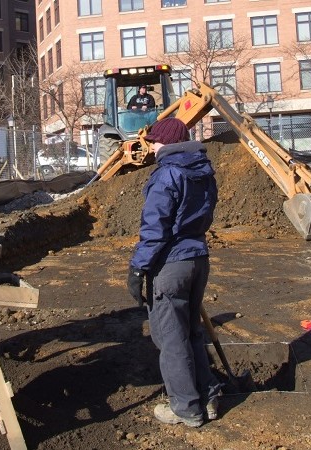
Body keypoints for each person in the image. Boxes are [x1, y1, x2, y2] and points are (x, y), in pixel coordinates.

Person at [126, 117, 221, 428]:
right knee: (192, 331)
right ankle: (208, 398)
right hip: (198, 259)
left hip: (171, 265)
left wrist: (138, 268)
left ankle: (185, 408)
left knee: (171, 340)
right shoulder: (203, 172)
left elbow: (155, 230)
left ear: (165, 142)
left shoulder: (167, 174)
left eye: (154, 141)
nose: (151, 147)